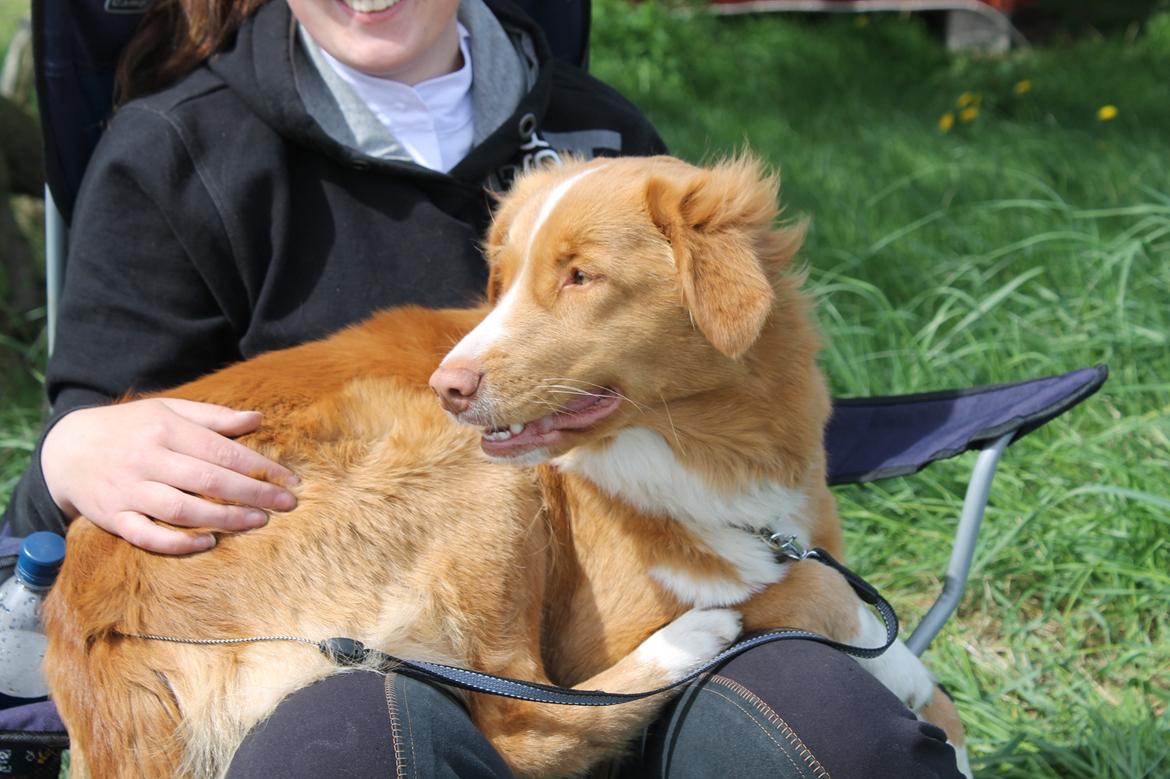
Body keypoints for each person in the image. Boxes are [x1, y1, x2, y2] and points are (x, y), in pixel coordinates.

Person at [0, 0, 966, 775]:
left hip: (618, 595)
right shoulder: (175, 148)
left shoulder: (598, 130)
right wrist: (73, 447)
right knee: (356, 751)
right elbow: (67, 475)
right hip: (298, 622)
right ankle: (540, 728)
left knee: (849, 739)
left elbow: (718, 358)